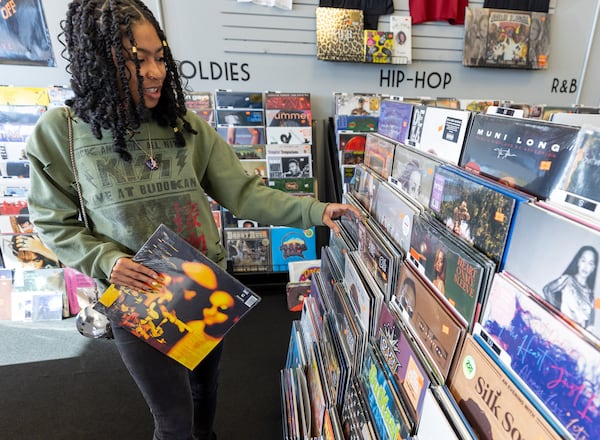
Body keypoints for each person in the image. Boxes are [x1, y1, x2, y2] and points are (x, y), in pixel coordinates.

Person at [24, 1, 359, 439]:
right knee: (173, 419)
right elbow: (53, 223)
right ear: (97, 62)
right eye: (136, 60)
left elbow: (243, 192)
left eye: (159, 57)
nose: (155, 72)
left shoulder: (186, 127)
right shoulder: (60, 132)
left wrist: (317, 211)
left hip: (201, 287)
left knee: (204, 393)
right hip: (136, 299)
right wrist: (105, 261)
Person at [541, 245, 599, 328]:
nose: (585, 266)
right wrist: (558, 312)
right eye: (583, 260)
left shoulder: (591, 296)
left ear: (593, 268)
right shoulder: (567, 280)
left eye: (590, 263)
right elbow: (547, 290)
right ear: (578, 262)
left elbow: (590, 325)